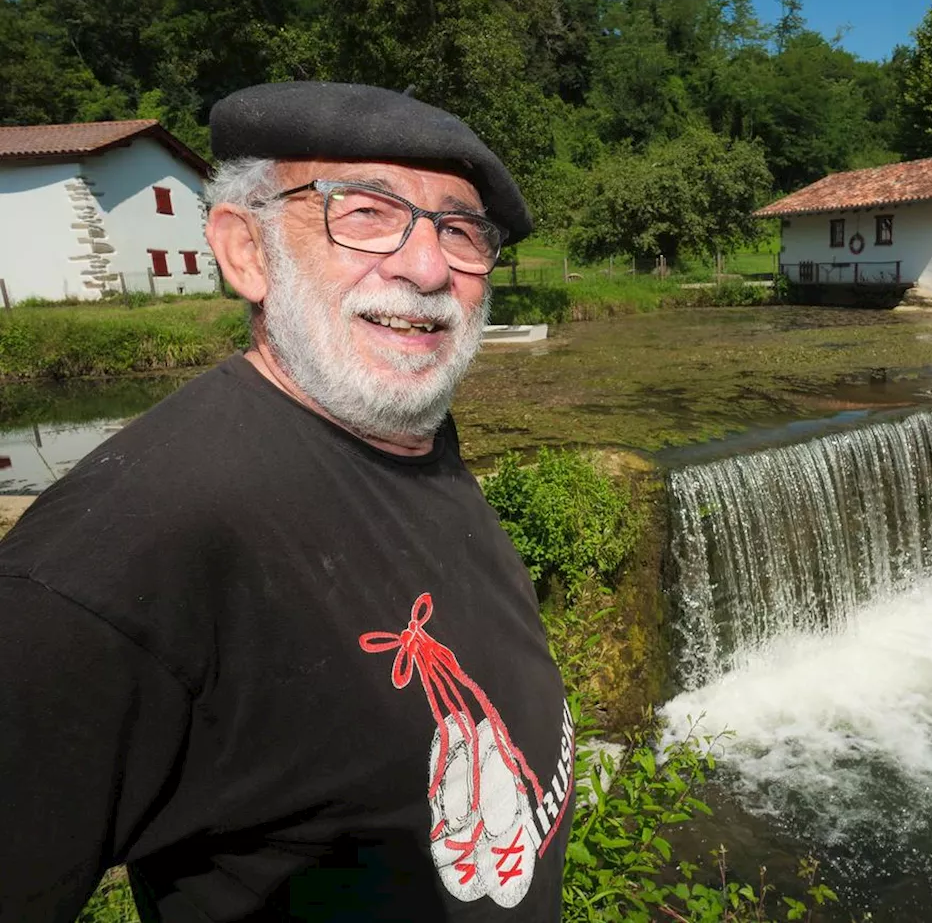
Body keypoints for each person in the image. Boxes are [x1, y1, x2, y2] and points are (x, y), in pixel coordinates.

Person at [0, 82, 574, 922]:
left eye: (459, 229)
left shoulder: (411, 440)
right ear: (246, 252)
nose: (426, 268)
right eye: (366, 212)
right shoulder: (123, 556)